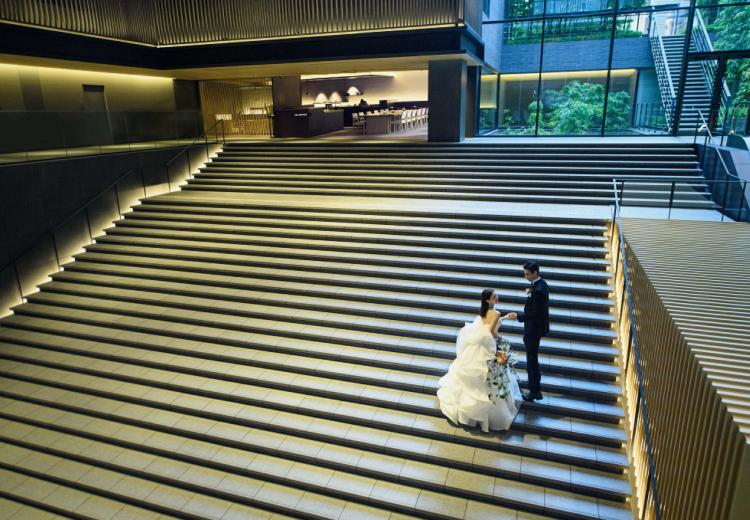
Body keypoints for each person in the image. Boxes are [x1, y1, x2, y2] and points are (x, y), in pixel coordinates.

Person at [437, 289, 522, 432]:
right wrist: (503, 340)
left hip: (478, 346)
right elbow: (492, 332)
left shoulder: (484, 311)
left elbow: (487, 324)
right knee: (492, 375)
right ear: (488, 300)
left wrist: (505, 318)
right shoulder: (495, 313)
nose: (497, 297)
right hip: (488, 347)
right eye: (494, 297)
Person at [506, 261, 549, 402]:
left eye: (527, 274)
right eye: (524, 274)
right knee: (532, 359)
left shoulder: (538, 290)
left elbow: (535, 313)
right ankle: (535, 385)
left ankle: (534, 391)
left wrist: (518, 316)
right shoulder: (540, 284)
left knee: (531, 360)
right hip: (534, 327)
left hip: (533, 329)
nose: (525, 276)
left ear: (535, 273)